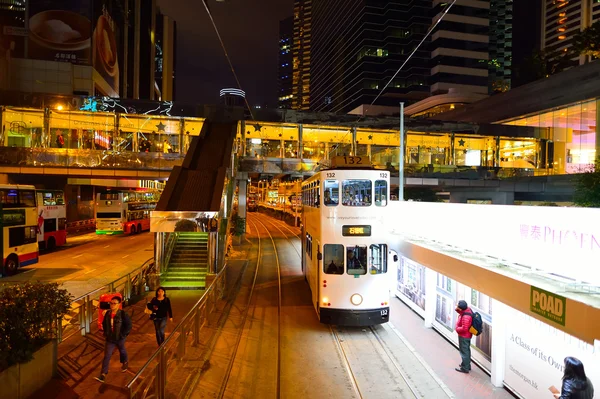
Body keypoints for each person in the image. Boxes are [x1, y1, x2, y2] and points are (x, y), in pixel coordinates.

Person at [95, 296, 132, 383]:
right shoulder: (107, 313)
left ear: (119, 304)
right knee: (107, 355)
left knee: (122, 350)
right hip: (110, 338)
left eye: (114, 303)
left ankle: (125, 362)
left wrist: (123, 334)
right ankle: (103, 374)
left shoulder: (123, 314)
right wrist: (106, 333)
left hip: (120, 337)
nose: (112, 305)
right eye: (111, 303)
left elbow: (128, 326)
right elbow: (104, 323)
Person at [454, 300, 473, 373]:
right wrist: (457, 309)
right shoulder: (467, 310)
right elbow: (460, 311)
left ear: (461, 308)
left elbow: (465, 328)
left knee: (464, 351)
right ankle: (467, 365)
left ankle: (465, 368)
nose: (457, 306)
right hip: (466, 335)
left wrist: (457, 329)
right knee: (466, 350)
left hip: (464, 336)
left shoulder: (466, 316)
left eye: (458, 306)